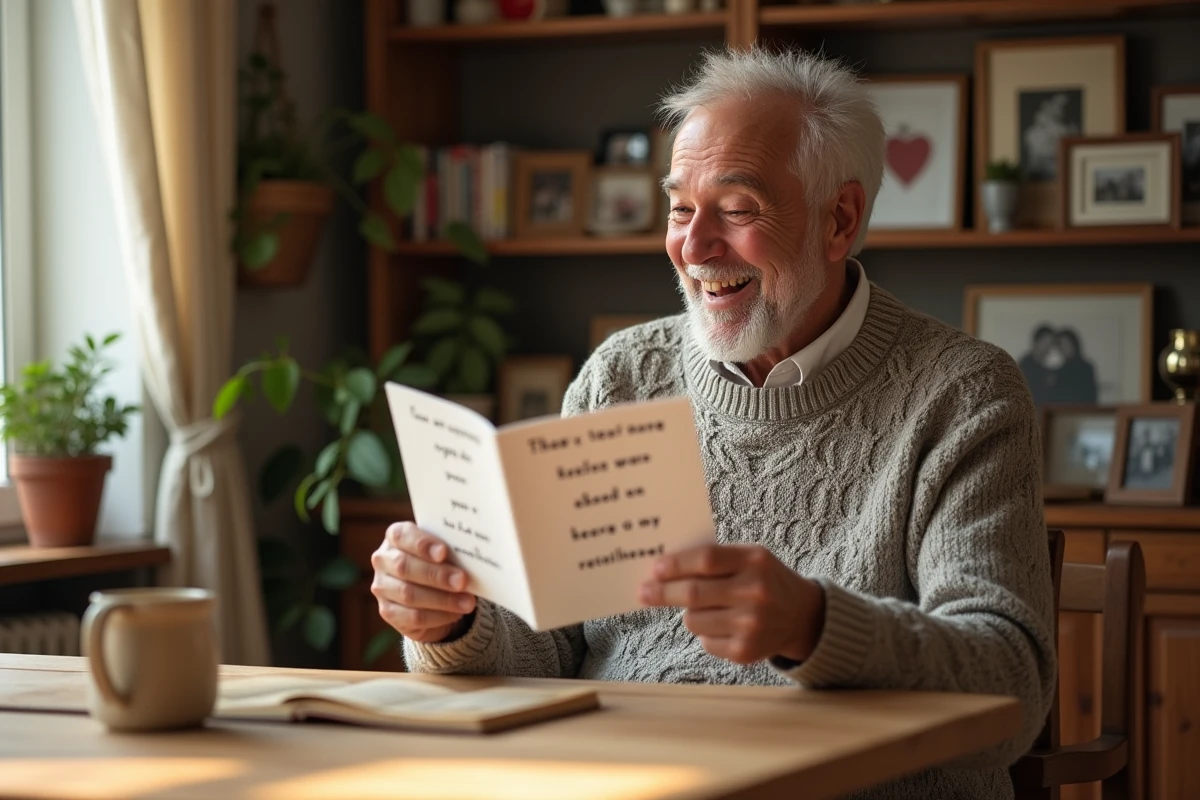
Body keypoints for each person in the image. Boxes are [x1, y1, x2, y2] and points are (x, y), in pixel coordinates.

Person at [371, 48, 1055, 800]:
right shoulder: (620, 375)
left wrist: (816, 626)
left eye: (736, 210)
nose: (693, 248)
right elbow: (548, 648)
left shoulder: (963, 393)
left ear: (840, 218)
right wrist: (452, 624)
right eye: (679, 209)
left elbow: (1010, 687)